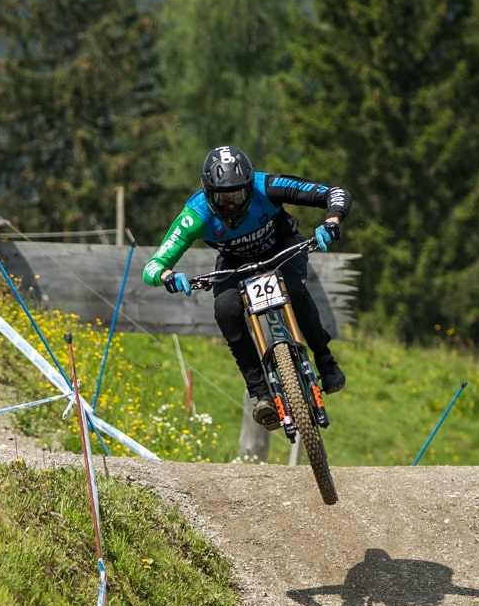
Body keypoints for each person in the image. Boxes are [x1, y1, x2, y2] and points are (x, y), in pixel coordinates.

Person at [142, 146, 350, 430]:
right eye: (221, 198)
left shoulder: (268, 186)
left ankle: (325, 359)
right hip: (234, 263)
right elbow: (153, 266)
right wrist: (168, 275)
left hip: (282, 247)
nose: (230, 205)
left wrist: (331, 221)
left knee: (296, 290)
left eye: (238, 195)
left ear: (250, 187)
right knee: (225, 311)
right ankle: (261, 394)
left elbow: (334, 193)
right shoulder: (195, 214)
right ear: (207, 193)